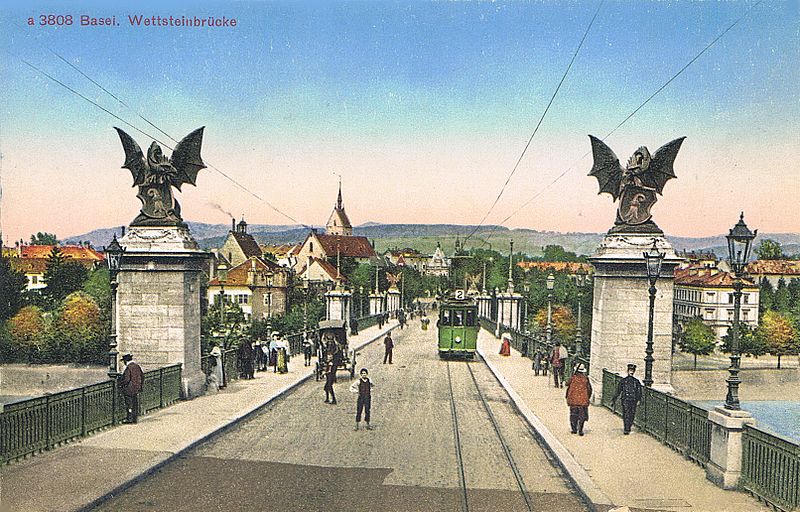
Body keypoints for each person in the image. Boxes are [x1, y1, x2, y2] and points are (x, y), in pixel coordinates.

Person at [612, 363, 643, 435]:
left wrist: (639, 400)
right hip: (625, 399)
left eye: (632, 371)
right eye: (630, 370)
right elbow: (618, 390)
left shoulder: (636, 381)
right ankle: (626, 429)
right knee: (626, 414)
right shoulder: (624, 380)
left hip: (633, 400)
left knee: (632, 414)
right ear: (628, 371)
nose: (631, 372)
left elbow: (639, 392)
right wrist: (614, 398)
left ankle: (628, 426)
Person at [565, 363, 592, 436]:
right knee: (582, 416)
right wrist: (587, 397)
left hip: (573, 400)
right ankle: (580, 430)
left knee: (573, 415)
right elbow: (589, 389)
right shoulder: (585, 379)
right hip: (583, 401)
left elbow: (567, 384)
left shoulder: (573, 378)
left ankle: (574, 429)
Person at [118, 353, 144, 424]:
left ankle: (129, 419)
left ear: (125, 361)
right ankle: (135, 419)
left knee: (129, 404)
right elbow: (142, 376)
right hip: (136, 389)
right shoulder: (137, 366)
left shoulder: (129, 368)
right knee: (135, 403)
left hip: (129, 389)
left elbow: (126, 379)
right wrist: (140, 386)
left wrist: (120, 385)